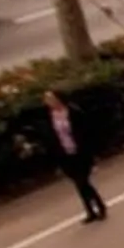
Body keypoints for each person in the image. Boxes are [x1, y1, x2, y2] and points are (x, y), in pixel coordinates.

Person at [43, 88, 107, 223]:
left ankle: (99, 206)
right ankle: (91, 210)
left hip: (80, 152)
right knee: (80, 184)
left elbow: (86, 132)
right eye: (47, 99)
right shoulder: (50, 117)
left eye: (51, 98)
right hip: (65, 154)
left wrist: (91, 153)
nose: (49, 102)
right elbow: (51, 137)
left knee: (82, 182)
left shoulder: (73, 112)